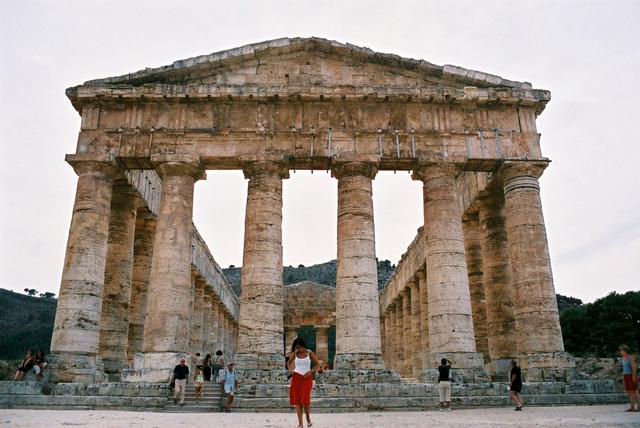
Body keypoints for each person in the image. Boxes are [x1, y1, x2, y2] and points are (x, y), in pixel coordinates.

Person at [288, 338, 319, 428]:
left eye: (299, 347)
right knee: (297, 401)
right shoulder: (295, 354)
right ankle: (300, 423)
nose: (297, 349)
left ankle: (308, 419)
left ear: (302, 346)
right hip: (296, 378)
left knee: (305, 400)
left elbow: (317, 364)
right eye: (296, 347)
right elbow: (289, 362)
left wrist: (311, 371)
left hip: (307, 378)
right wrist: (291, 371)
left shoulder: (309, 353)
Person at [620, 345, 639, 412]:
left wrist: (634, 377)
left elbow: (634, 368)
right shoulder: (623, 358)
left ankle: (639, 407)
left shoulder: (630, 357)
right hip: (626, 376)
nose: (621, 351)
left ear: (625, 351)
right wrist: (623, 378)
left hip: (631, 375)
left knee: (635, 391)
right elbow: (624, 369)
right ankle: (632, 407)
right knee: (629, 392)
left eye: (621, 350)